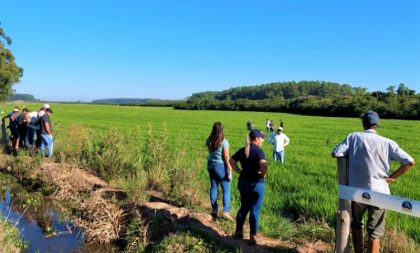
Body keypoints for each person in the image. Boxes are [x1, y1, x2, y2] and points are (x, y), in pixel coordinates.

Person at [332, 111, 415, 253]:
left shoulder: (354, 137)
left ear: (363, 123)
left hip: (357, 192)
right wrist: (391, 177)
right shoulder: (388, 142)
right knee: (375, 231)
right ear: (377, 125)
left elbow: (336, 153)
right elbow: (410, 162)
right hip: (380, 193)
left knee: (357, 225)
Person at [229, 129, 268, 246]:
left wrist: (239, 171)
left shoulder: (243, 150)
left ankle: (238, 232)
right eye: (262, 137)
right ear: (256, 139)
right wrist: (262, 174)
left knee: (244, 207)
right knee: (255, 209)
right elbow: (263, 164)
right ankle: (253, 236)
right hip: (256, 184)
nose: (263, 140)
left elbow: (231, 161)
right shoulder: (259, 151)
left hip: (243, 182)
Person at [206, 122, 234, 221]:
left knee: (214, 187)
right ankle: (226, 211)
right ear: (222, 130)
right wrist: (230, 170)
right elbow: (226, 157)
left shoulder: (209, 140)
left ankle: (214, 210)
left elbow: (210, 151)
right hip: (220, 166)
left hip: (210, 165)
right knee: (226, 189)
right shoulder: (224, 141)